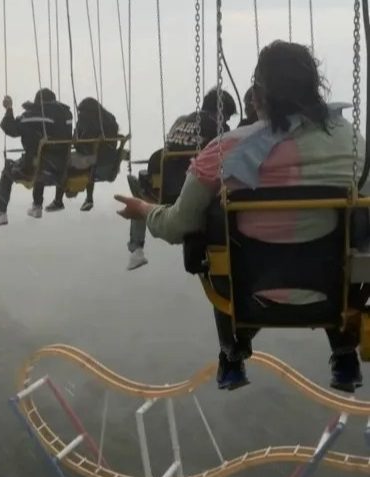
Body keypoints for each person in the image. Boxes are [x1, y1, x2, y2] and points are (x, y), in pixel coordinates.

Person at [115, 40, 368, 393]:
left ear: (258, 96)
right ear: (315, 89)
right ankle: (343, 354)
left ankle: (232, 354)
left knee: (215, 234)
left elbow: (176, 226)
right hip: (334, 293)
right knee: (345, 232)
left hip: (246, 294)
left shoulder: (224, 151)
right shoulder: (351, 144)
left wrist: (143, 210)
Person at [126, 88, 237, 271]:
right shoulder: (220, 129)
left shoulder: (181, 121)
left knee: (141, 197)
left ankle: (136, 248)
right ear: (220, 113)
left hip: (165, 189)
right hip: (194, 191)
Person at [0, 88, 72, 226]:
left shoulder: (33, 115)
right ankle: (36, 205)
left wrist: (9, 108)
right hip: (62, 166)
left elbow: (10, 128)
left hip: (40, 167)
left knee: (8, 170)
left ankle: (1, 213)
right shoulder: (67, 115)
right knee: (40, 157)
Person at [67, 97, 120, 212]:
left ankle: (67, 191)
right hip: (110, 162)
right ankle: (88, 198)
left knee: (65, 160)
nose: (80, 114)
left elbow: (84, 145)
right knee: (89, 163)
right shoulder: (110, 118)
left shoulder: (85, 119)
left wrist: (75, 142)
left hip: (92, 161)